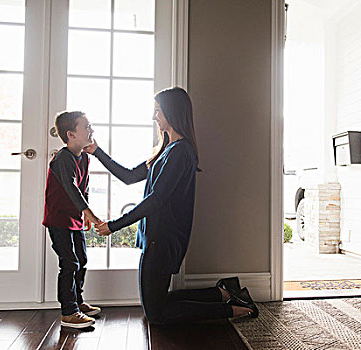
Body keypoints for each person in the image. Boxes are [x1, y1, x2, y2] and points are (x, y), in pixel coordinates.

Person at [84, 87, 258, 325]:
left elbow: (156, 200)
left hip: (163, 241)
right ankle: (223, 293)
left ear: (172, 112)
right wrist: (96, 151)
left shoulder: (181, 152)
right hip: (155, 239)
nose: (154, 116)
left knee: (156, 314)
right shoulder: (166, 150)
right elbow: (128, 176)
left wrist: (114, 226)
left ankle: (234, 309)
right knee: (157, 307)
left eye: (158, 111)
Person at [42, 111, 103, 329]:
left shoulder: (84, 157)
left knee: (82, 260)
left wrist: (83, 213)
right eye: (86, 127)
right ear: (71, 134)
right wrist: (89, 214)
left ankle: (77, 302)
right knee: (69, 262)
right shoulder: (62, 158)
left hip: (74, 218)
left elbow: (82, 188)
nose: (91, 130)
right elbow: (70, 187)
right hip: (59, 219)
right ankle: (68, 312)